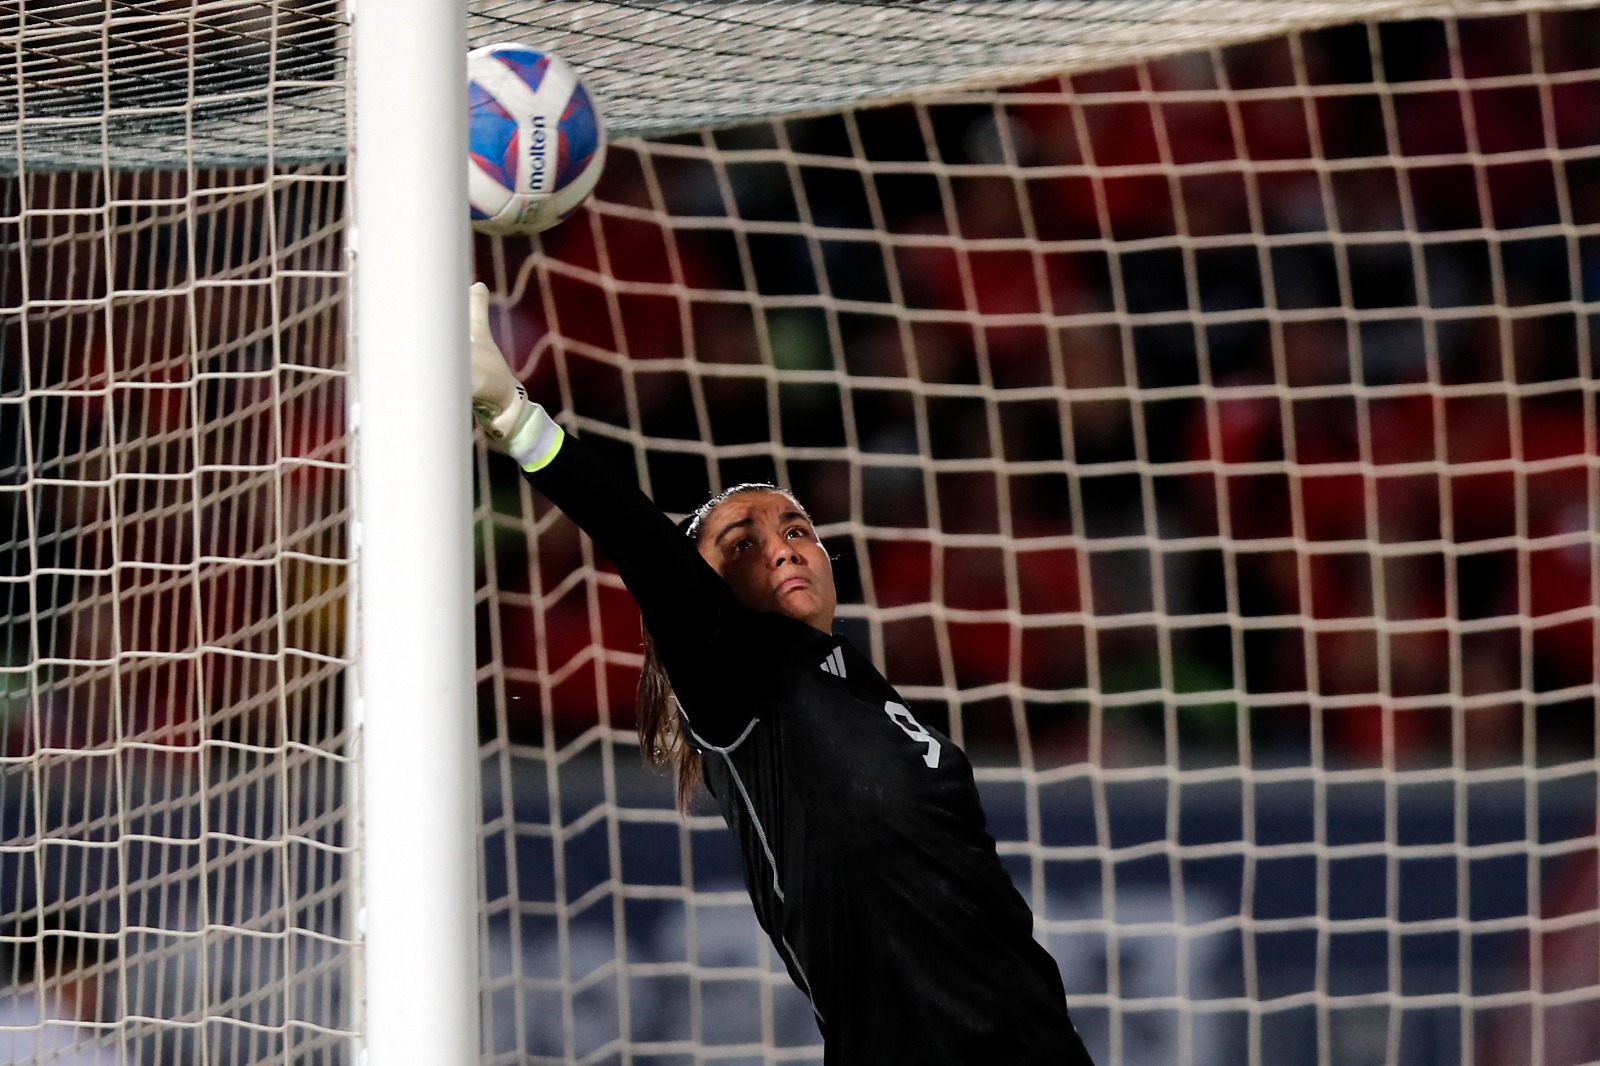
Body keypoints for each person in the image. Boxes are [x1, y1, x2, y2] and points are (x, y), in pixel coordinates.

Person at [468, 282, 1095, 1065]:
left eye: (795, 527)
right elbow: (645, 547)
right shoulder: (744, 683)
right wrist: (526, 426)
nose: (783, 545)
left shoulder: (856, 684)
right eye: (741, 543)